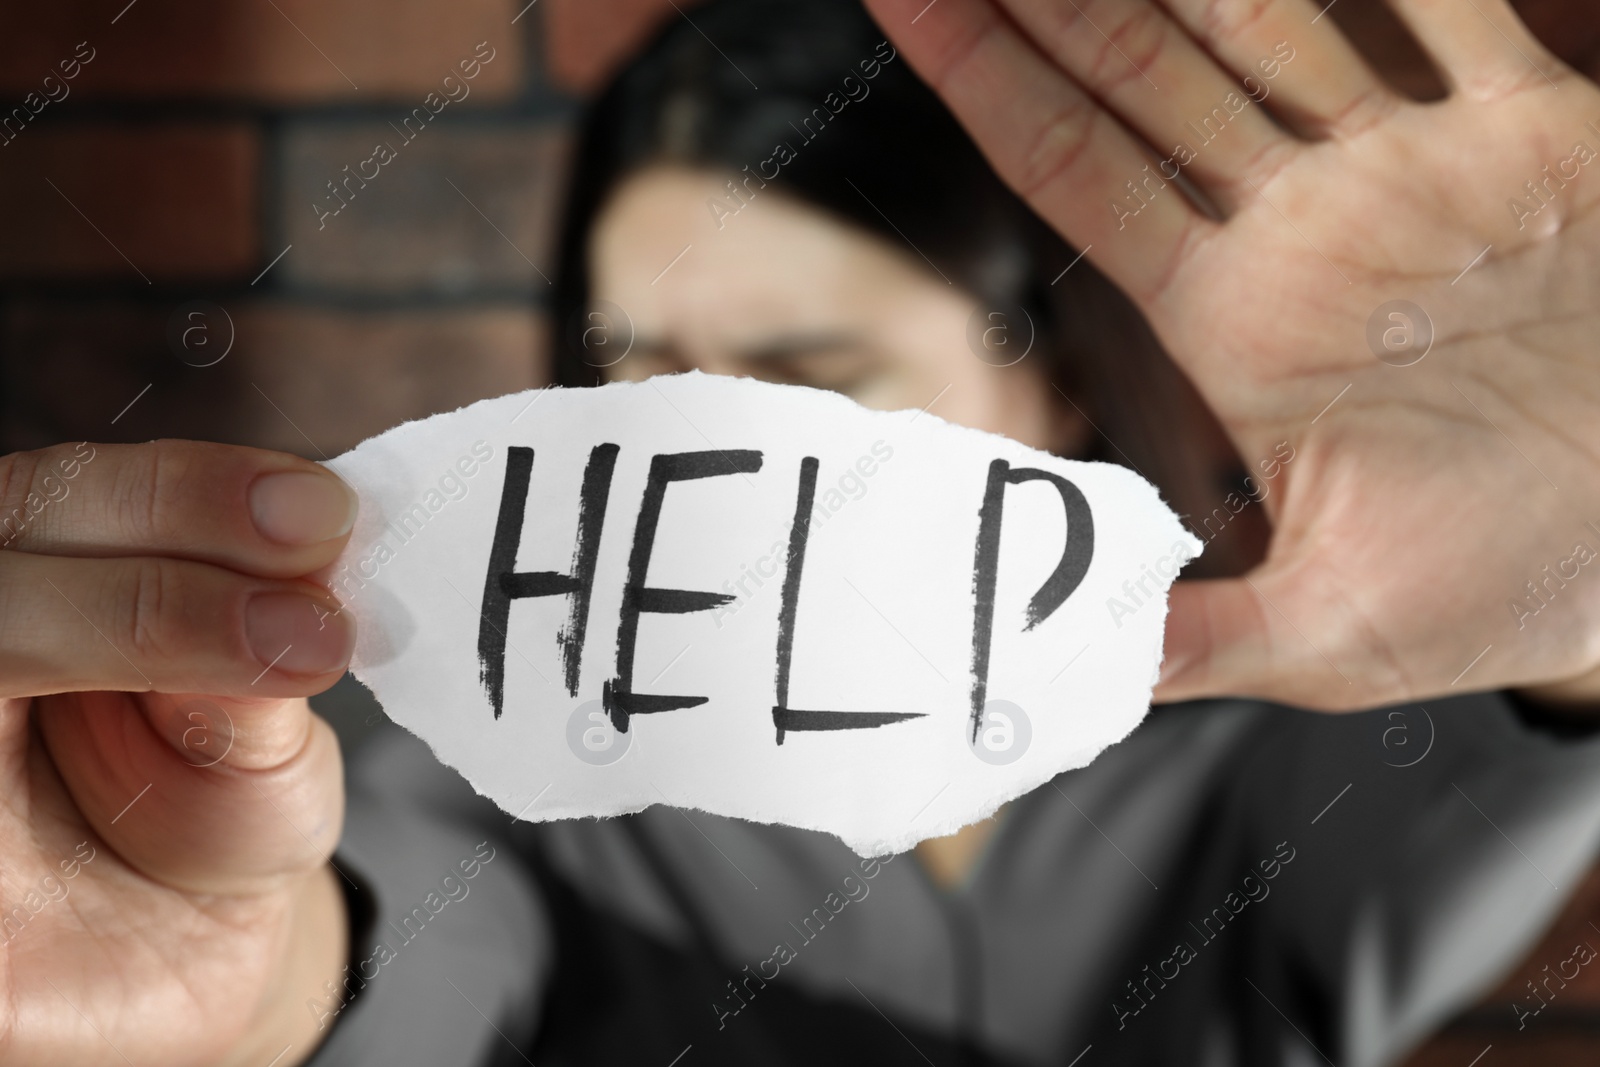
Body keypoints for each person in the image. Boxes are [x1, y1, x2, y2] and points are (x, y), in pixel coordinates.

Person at [3, 0, 1599, 1064]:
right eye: (636, 364)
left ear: (1054, 391)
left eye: (807, 375)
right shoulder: (500, 763)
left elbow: (1498, 777)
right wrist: (244, 979)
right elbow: (385, 949)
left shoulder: (1271, 753)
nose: (697, 445)